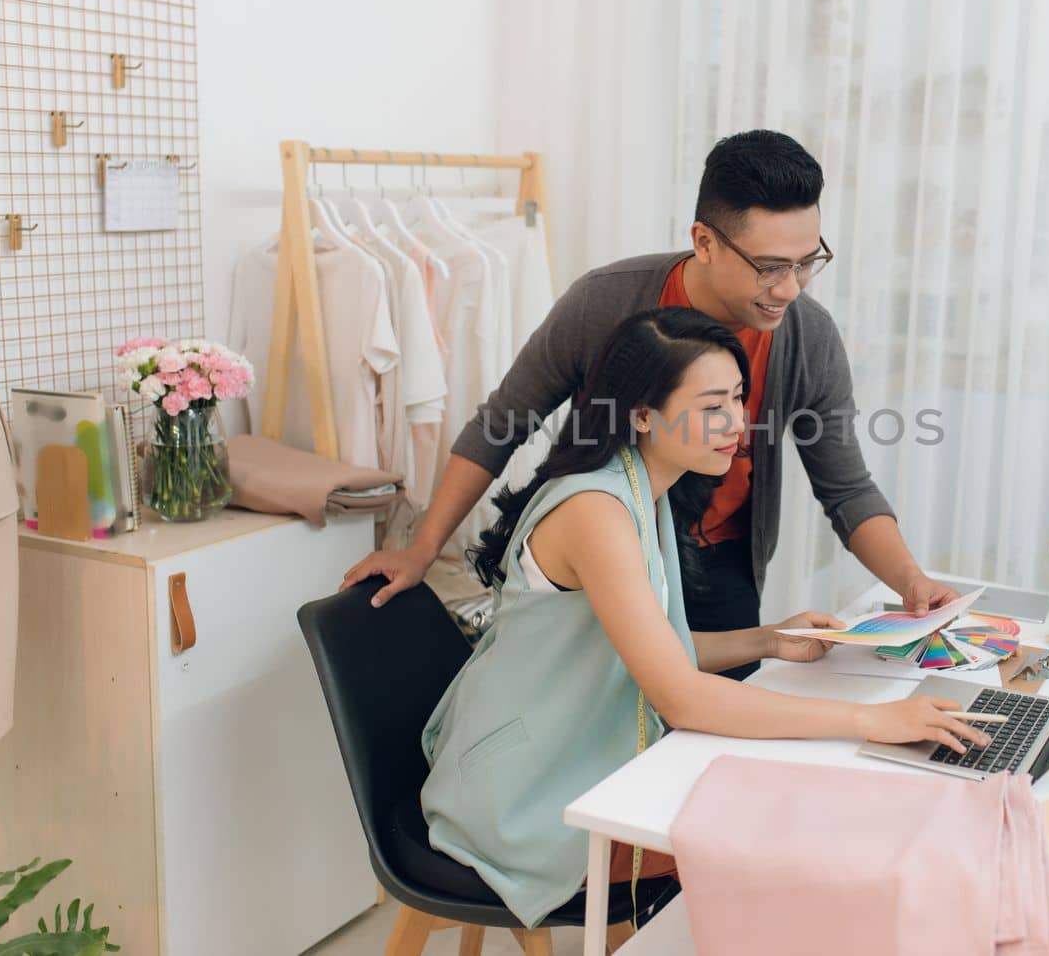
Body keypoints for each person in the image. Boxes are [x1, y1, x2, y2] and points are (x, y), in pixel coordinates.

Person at [418, 307, 988, 927]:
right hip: (524, 792)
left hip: (564, 756)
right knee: (783, 841)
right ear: (641, 414)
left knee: (792, 810)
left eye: (739, 399)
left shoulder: (641, 488)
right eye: (713, 405)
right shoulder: (596, 512)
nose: (737, 423)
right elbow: (683, 697)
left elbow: (654, 649)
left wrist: (770, 640)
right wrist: (870, 720)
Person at [344, 128, 960, 678]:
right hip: (595, 562)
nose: (789, 289)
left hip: (717, 565)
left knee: (705, 754)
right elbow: (501, 425)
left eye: (806, 264)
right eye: (770, 267)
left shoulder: (807, 336)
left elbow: (847, 489)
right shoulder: (604, 303)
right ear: (705, 241)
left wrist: (911, 584)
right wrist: (422, 549)